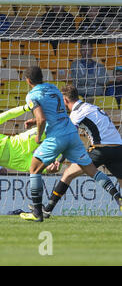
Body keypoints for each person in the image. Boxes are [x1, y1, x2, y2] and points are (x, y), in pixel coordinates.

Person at [19, 66, 116, 222]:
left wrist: (38, 136)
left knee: (34, 168)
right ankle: (118, 198)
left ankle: (37, 212)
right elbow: (55, 112)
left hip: (57, 136)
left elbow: (42, 119)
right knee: (92, 170)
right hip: (72, 134)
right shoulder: (54, 88)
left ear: (28, 81)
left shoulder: (32, 95)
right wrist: (34, 120)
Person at [37, 84, 122, 217]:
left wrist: (59, 160)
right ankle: (119, 199)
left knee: (68, 174)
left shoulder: (77, 113)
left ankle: (47, 210)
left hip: (100, 149)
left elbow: (68, 137)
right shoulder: (92, 107)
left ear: (65, 100)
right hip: (118, 148)